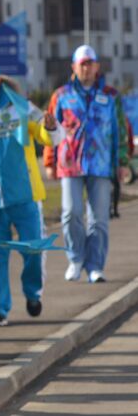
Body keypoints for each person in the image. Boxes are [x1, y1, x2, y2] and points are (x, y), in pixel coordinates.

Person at [0, 59, 59, 325]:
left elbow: (44, 133)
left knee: (32, 250)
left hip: (25, 194)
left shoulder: (19, 106)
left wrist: (49, 128)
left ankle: (32, 293)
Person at [45, 45, 132, 283]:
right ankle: (75, 258)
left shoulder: (111, 95)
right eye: (81, 64)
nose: (86, 68)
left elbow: (121, 130)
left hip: (101, 165)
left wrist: (122, 162)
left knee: (99, 218)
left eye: (89, 63)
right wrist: (50, 160)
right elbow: (50, 130)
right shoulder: (61, 95)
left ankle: (95, 265)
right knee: (70, 213)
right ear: (73, 67)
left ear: (96, 67)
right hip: (70, 164)